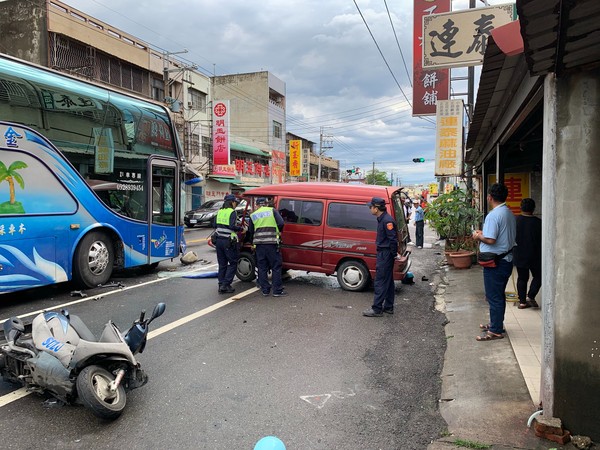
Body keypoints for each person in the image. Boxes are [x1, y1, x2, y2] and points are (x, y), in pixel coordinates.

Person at [472, 183, 516, 341]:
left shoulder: (494, 215)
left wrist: (478, 236)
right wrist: (484, 234)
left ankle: (496, 330)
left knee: (494, 296)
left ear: (489, 197)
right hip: (506, 259)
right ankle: (496, 323)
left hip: (496, 262)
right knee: (498, 295)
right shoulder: (508, 212)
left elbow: (490, 239)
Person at [363, 197, 399, 317]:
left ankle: (377, 309)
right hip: (385, 253)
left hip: (386, 253)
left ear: (376, 208)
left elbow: (393, 240)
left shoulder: (386, 221)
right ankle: (388, 307)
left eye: (371, 207)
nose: (370, 209)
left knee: (380, 281)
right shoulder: (382, 219)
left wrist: (393, 254)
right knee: (388, 281)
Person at [247, 197, 286, 297]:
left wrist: (253, 242)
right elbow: (281, 223)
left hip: (259, 245)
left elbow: (250, 231)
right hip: (272, 243)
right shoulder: (272, 211)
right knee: (276, 267)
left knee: (262, 267)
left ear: (257, 205)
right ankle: (277, 291)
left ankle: (265, 290)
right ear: (266, 204)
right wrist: (278, 231)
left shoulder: (253, 215)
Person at [513, 198, 542, 309]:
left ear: (521, 207)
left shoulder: (516, 221)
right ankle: (531, 295)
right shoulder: (539, 223)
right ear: (534, 208)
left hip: (519, 254)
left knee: (522, 278)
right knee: (539, 276)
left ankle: (522, 302)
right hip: (536, 255)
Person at [214, 194, 243, 294]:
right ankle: (225, 285)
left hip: (218, 241)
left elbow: (214, 225)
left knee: (222, 264)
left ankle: (220, 284)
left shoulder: (220, 211)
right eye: (235, 202)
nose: (236, 204)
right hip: (228, 241)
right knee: (233, 262)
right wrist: (241, 228)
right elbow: (232, 226)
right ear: (232, 202)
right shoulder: (232, 212)